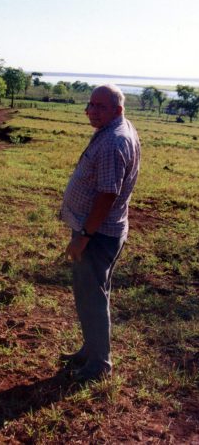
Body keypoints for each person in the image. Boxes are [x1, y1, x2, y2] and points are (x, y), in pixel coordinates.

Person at [60, 84, 140, 382]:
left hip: (97, 234)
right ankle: (90, 350)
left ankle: (99, 365)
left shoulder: (113, 142)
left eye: (99, 106)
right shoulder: (120, 127)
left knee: (91, 298)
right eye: (90, 104)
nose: (91, 111)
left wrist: (83, 235)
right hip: (104, 231)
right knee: (95, 294)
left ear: (117, 110)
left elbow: (107, 195)